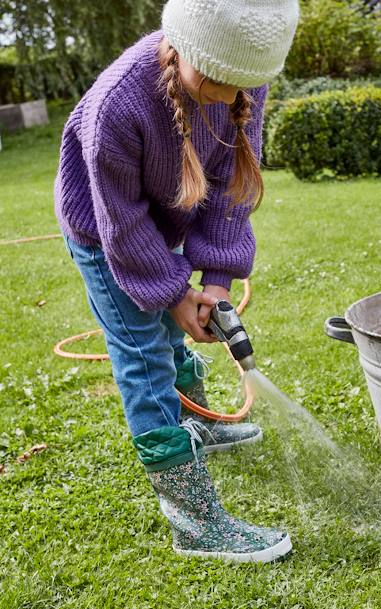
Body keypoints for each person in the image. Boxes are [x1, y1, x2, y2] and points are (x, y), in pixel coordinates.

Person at [54, 0, 299, 563]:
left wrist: (212, 283)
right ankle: (193, 523)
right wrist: (171, 293)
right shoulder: (119, 103)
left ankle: (198, 425)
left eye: (246, 86)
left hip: (162, 219)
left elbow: (234, 185)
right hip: (105, 231)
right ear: (186, 46)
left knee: (169, 338)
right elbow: (121, 222)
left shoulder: (240, 79)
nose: (232, 97)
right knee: (145, 356)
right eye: (217, 81)